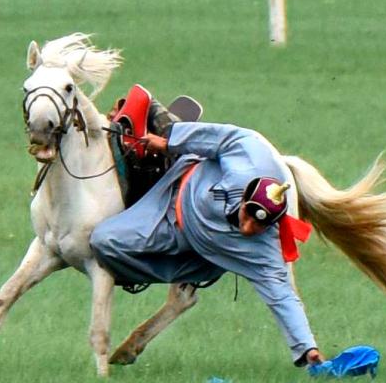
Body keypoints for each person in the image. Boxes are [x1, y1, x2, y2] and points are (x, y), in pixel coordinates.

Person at [90, 122, 324, 367]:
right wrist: (169, 143)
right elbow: (222, 138)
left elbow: (282, 295)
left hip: (201, 255)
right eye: (248, 216)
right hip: (173, 199)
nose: (247, 229)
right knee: (103, 241)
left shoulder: (264, 247)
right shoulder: (248, 158)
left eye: (258, 226)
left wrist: (308, 347)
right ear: (244, 197)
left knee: (111, 251)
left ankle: (152, 278)